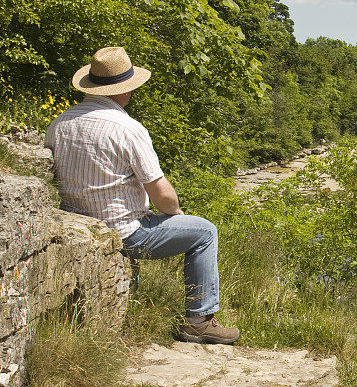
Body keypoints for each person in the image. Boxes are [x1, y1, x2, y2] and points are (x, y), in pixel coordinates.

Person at [45, 46, 239, 344]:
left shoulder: (60, 124)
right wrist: (175, 216)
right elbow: (162, 195)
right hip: (125, 233)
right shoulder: (127, 129)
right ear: (124, 91)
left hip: (77, 224)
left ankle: (198, 321)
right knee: (204, 232)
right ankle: (199, 321)